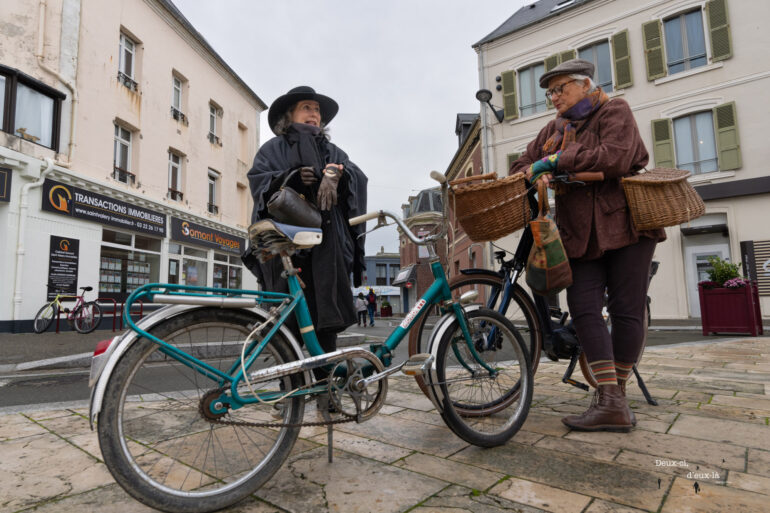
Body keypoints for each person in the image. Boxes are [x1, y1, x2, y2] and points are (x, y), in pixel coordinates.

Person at [509, 59, 665, 432]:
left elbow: (614, 157)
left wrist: (553, 161)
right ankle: (611, 400)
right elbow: (521, 165)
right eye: (550, 93)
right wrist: (539, 168)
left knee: (627, 310)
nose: (554, 98)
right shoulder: (553, 127)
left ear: (584, 84)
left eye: (560, 89)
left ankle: (615, 398)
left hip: (627, 225)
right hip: (578, 231)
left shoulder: (615, 110)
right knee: (582, 310)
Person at [242, 86, 367, 357]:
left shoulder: (333, 151)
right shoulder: (272, 149)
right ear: (290, 115)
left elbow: (357, 181)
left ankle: (325, 388)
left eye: (317, 109)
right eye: (307, 107)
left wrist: (339, 176)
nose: (314, 114)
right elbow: (258, 181)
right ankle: (289, 388)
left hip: (326, 250)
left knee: (325, 323)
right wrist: (290, 178)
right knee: (286, 323)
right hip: (287, 247)